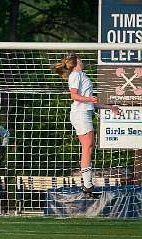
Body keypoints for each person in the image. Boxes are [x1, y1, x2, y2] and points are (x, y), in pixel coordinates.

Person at [52, 53, 119, 194]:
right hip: (80, 114)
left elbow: (91, 101)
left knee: (89, 147)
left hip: (85, 112)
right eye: (80, 59)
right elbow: (74, 95)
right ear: (76, 62)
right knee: (87, 147)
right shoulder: (75, 75)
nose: (82, 61)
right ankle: (87, 185)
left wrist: (110, 107)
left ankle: (87, 184)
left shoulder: (81, 75)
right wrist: (89, 100)